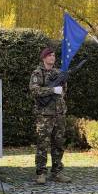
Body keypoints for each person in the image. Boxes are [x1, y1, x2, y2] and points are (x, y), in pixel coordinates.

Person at [29, 47, 71, 184]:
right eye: (49, 55)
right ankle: (41, 173)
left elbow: (64, 91)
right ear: (44, 58)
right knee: (43, 144)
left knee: (58, 144)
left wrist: (61, 87)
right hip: (44, 115)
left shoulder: (59, 73)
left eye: (53, 55)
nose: (52, 58)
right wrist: (52, 89)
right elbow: (34, 91)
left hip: (59, 113)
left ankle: (57, 172)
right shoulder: (38, 73)